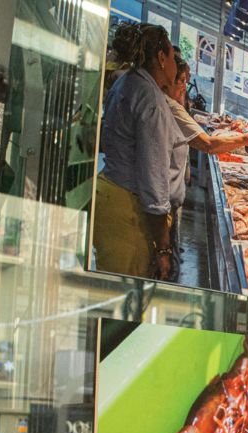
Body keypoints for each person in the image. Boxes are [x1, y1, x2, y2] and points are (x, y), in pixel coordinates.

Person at [95, 23, 179, 281]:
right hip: (127, 211)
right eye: (174, 58)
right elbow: (153, 180)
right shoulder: (151, 101)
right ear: (162, 58)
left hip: (108, 193)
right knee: (123, 297)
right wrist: (164, 248)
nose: (176, 64)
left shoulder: (126, 83)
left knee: (108, 286)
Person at [165, 55, 248, 156]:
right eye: (182, 80)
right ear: (170, 80)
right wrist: (243, 139)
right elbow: (207, 145)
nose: (184, 87)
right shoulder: (173, 107)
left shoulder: (168, 102)